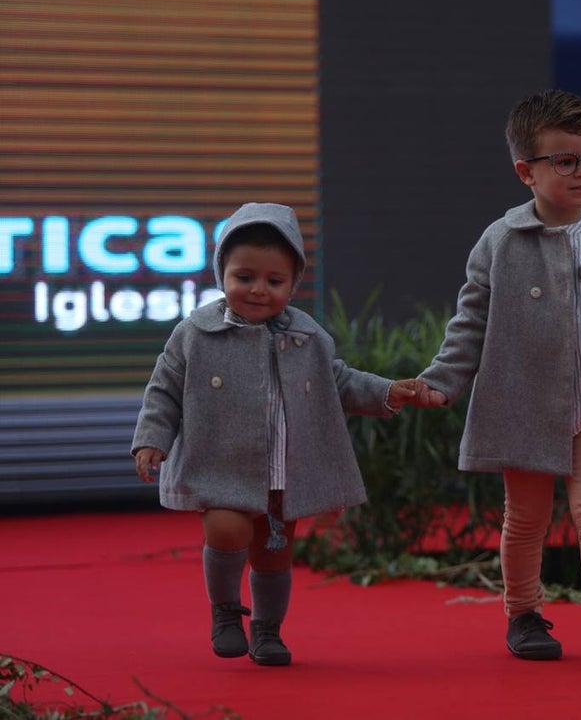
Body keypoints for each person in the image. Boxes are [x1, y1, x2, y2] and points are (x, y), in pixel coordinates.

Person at [415, 89, 581, 667]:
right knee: (527, 518)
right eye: (565, 160)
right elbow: (471, 321)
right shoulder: (502, 242)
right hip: (523, 405)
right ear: (525, 171)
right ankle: (523, 613)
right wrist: (442, 380)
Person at [131, 201, 427, 667]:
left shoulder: (306, 335)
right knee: (226, 527)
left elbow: (340, 381)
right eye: (244, 277)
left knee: (274, 554)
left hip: (284, 468)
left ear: (293, 283)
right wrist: (152, 438)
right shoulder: (194, 333)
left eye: (274, 281)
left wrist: (389, 392)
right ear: (220, 273)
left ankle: (268, 631)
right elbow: (164, 389)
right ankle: (226, 611)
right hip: (222, 462)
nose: (257, 290)